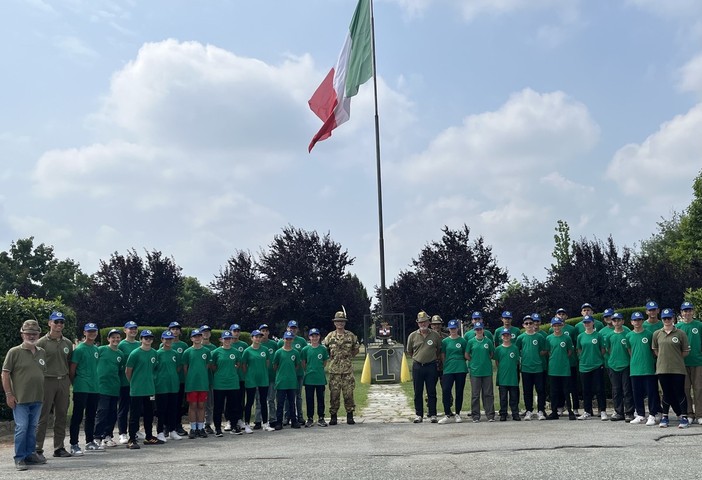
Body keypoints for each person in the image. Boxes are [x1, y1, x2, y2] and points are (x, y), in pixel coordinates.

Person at [2, 320, 46, 471]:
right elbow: (5, 374)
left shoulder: (42, 352)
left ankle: (30, 454)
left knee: (32, 427)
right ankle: (19, 458)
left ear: (39, 335)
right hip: (20, 398)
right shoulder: (14, 352)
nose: (31, 336)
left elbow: (41, 373)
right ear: (22, 335)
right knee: (22, 427)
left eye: (34, 334)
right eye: (28, 334)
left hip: (38, 398)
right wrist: (9, 394)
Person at [35, 311, 73, 460]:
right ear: (49, 323)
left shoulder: (68, 343)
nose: (59, 325)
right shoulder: (41, 343)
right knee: (42, 416)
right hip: (47, 380)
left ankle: (59, 447)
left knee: (62, 415)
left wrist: (68, 380)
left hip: (63, 380)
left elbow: (69, 362)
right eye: (56, 322)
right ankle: (38, 448)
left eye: (61, 322)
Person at [653, 308, 691, 428]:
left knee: (680, 392)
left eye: (669, 318)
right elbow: (656, 350)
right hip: (663, 369)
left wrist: (674, 358)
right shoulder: (657, 334)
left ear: (673, 319)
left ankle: (684, 417)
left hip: (677, 369)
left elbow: (685, 351)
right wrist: (666, 358)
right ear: (662, 319)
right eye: (665, 318)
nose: (667, 320)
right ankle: (665, 417)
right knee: (666, 393)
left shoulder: (680, 333)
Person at [69, 323, 103, 455]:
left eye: (94, 331)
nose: (92, 333)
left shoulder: (95, 349)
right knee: (77, 416)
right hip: (81, 387)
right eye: (89, 331)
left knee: (91, 416)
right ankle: (74, 444)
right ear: (84, 333)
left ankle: (89, 441)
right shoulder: (79, 349)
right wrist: (76, 383)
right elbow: (72, 370)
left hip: (94, 387)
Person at [125, 330, 162, 448]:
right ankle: (132, 438)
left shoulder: (154, 353)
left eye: (150, 338)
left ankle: (149, 436)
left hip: (150, 389)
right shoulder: (135, 353)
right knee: (135, 415)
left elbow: (155, 368)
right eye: (146, 338)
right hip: (137, 390)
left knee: (149, 414)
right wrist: (134, 382)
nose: (148, 340)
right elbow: (128, 371)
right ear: (141, 339)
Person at [322, 311, 360, 425]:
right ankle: (333, 416)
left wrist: (348, 358)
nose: (340, 324)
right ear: (335, 323)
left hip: (347, 371)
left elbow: (356, 349)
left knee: (348, 394)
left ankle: (350, 415)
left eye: (342, 322)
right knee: (334, 394)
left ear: (345, 323)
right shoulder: (330, 336)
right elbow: (325, 350)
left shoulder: (351, 336)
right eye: (338, 321)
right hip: (334, 371)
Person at [406, 311, 442, 423]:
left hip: (431, 366)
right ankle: (419, 414)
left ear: (428, 322)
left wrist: (430, 358)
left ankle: (433, 414)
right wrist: (418, 358)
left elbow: (438, 350)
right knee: (418, 392)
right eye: (420, 322)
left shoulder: (435, 335)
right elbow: (410, 351)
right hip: (417, 366)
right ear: (418, 323)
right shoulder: (412, 336)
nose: (423, 324)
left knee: (431, 391)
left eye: (425, 321)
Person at [626, 311, 661, 425]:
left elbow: (653, 351)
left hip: (648, 368)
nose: (637, 322)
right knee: (637, 393)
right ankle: (640, 415)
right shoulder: (629, 335)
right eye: (635, 320)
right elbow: (630, 350)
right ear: (631, 322)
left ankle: (652, 414)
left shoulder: (649, 334)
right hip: (635, 369)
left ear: (642, 321)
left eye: (639, 320)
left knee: (651, 393)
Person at [94, 329, 124, 448]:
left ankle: (108, 436)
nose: (115, 339)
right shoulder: (101, 349)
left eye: (117, 337)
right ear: (108, 339)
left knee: (112, 413)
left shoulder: (120, 354)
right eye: (113, 337)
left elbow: (120, 370)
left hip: (114, 387)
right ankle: (97, 437)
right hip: (101, 386)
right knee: (102, 412)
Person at [575, 316, 608, 421]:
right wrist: (583, 358)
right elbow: (579, 349)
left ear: (593, 323)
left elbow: (602, 349)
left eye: (589, 322)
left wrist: (596, 358)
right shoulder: (580, 336)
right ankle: (587, 411)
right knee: (586, 390)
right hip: (584, 366)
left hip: (597, 365)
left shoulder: (598, 335)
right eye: (585, 322)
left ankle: (602, 411)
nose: (587, 324)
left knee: (599, 389)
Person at [211, 330, 243, 436]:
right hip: (220, 383)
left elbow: (238, 364)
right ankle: (217, 428)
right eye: (225, 339)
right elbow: (213, 366)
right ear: (221, 340)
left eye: (229, 338)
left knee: (233, 406)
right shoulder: (216, 352)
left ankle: (234, 426)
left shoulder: (235, 352)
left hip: (232, 382)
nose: (227, 340)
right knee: (218, 407)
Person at [241, 330, 273, 432]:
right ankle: (246, 424)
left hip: (263, 379)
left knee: (263, 401)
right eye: (256, 337)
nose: (258, 339)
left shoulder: (265, 350)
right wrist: (250, 374)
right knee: (250, 401)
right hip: (251, 379)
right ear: (252, 338)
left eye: (259, 337)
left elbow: (267, 363)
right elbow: (244, 366)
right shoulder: (247, 351)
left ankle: (265, 423)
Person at [516, 316, 548, 421]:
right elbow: (517, 350)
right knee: (527, 391)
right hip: (526, 368)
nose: (529, 325)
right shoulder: (520, 338)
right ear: (523, 325)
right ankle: (528, 411)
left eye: (531, 323)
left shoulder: (539, 337)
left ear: (534, 324)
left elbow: (545, 350)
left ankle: (540, 411)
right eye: (527, 323)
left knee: (540, 390)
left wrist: (536, 355)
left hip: (538, 368)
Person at [182, 328, 212, 438]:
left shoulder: (206, 351)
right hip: (192, 383)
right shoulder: (187, 352)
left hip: (203, 383)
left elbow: (207, 366)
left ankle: (200, 427)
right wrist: (190, 378)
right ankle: (193, 428)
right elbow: (185, 368)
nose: (197, 338)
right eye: (195, 336)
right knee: (193, 405)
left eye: (199, 336)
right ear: (191, 338)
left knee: (201, 405)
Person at [605, 313, 634, 422]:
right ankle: (618, 412)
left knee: (627, 390)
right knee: (616, 390)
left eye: (619, 320)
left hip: (626, 365)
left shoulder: (627, 334)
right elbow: (608, 349)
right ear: (612, 322)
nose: (616, 323)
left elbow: (630, 350)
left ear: (622, 321)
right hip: (613, 366)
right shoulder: (609, 336)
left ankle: (629, 412)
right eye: (614, 321)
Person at [278, 320, 307, 426]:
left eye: (294, 328)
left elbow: (304, 357)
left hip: (298, 373)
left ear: (297, 329)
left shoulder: (302, 341)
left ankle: (299, 416)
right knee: (286, 397)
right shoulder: (282, 341)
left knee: (298, 396)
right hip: (286, 374)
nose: (293, 330)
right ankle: (287, 416)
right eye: (291, 328)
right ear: (287, 328)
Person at [438, 320, 468, 424]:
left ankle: (458, 413)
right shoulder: (445, 341)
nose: (453, 330)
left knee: (459, 391)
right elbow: (443, 355)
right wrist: (445, 365)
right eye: (451, 329)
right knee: (446, 390)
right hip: (448, 369)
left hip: (460, 368)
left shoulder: (462, 341)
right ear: (449, 329)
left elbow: (465, 354)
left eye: (454, 328)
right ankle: (447, 414)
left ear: (457, 329)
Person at [677, 301, 702, 424]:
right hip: (683, 363)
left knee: (698, 389)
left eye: (689, 310)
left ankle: (699, 414)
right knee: (685, 389)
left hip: (697, 362)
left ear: (693, 312)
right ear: (681, 313)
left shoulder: (699, 325)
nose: (687, 313)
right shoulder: (678, 327)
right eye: (685, 311)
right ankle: (689, 413)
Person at [551, 308, 580, 416]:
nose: (561, 316)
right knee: (557, 388)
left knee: (572, 387)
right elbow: (550, 350)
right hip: (556, 365)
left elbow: (572, 348)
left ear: (566, 316)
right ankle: (559, 407)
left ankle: (574, 408)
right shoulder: (550, 334)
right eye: (559, 314)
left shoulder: (571, 330)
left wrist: (565, 357)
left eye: (563, 314)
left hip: (569, 363)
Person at [154, 331, 182, 442]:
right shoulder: (157, 353)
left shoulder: (175, 353)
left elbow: (178, 367)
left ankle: (172, 430)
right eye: (166, 339)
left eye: (170, 339)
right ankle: (160, 431)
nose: (168, 341)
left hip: (173, 385)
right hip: (161, 386)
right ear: (162, 340)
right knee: (161, 410)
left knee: (173, 409)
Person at [546, 317, 576, 420]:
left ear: (562, 325)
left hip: (564, 368)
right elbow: (549, 351)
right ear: (552, 326)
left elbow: (569, 351)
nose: (557, 327)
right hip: (553, 368)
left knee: (566, 391)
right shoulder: (549, 338)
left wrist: (562, 359)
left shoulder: (566, 338)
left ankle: (570, 411)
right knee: (554, 391)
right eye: (555, 325)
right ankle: (554, 411)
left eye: (558, 325)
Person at [466, 321, 495, 422]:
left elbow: (491, 354)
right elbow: (467, 355)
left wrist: (485, 361)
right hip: (475, 371)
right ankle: (475, 415)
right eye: (477, 329)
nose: (479, 331)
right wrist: (474, 362)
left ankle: (490, 415)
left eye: (480, 329)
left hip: (486, 371)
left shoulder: (488, 341)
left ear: (483, 330)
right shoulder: (471, 342)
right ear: (474, 330)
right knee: (475, 394)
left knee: (488, 394)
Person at [117, 321, 141, 444]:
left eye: (135, 328)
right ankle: (122, 433)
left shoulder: (140, 344)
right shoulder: (121, 345)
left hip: (137, 383)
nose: (133, 330)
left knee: (136, 409)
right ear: (125, 330)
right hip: (125, 382)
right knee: (123, 408)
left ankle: (135, 430)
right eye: (130, 328)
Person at [274, 331, 302, 430]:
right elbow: (275, 366)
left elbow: (297, 365)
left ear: (292, 340)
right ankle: (279, 422)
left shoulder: (295, 352)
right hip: (281, 381)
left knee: (292, 403)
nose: (288, 341)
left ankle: (294, 421)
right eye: (287, 339)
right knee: (280, 403)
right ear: (283, 339)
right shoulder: (278, 352)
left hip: (292, 381)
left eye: (290, 339)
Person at [301, 328, 329, 427]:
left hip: (320, 378)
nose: (314, 338)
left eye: (316, 336)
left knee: (320, 399)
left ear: (319, 337)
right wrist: (308, 369)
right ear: (309, 337)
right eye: (312, 336)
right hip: (309, 378)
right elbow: (303, 362)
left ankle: (321, 417)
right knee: (309, 399)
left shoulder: (323, 349)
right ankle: (310, 418)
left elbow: (325, 362)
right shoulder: (305, 349)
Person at [167, 321, 189, 437]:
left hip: (180, 380)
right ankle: (167, 426)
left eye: (177, 329)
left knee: (178, 404)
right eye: (173, 329)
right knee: (167, 404)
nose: (175, 331)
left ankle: (177, 425)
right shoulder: (164, 345)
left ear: (180, 331)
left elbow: (184, 364)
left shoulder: (184, 346)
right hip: (167, 381)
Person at [255, 324, 278, 430]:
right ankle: (258, 420)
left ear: (268, 332)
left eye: (266, 331)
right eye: (262, 331)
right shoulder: (256, 346)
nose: (264, 333)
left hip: (272, 376)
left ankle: (272, 419)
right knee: (259, 399)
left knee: (271, 399)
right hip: (260, 377)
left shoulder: (273, 344)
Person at [495, 328, 521, 421]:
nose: (506, 337)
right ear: (501, 337)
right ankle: (503, 413)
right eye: (504, 335)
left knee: (514, 397)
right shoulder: (498, 349)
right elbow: (497, 362)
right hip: (502, 377)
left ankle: (515, 413)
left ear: (510, 336)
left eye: (507, 335)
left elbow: (517, 361)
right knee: (503, 397)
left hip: (513, 377)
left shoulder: (514, 348)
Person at [230, 323, 248, 430]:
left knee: (240, 399)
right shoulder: (228, 344)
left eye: (238, 331)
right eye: (234, 331)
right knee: (230, 400)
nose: (236, 333)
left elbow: (245, 362)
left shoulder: (244, 345)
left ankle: (239, 419)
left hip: (240, 377)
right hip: (230, 378)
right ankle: (229, 420)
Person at [199, 324, 217, 435]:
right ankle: (198, 424)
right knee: (199, 404)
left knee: (210, 403)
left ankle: (207, 423)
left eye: (207, 332)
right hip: (199, 380)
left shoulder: (214, 348)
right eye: (203, 332)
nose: (206, 333)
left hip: (210, 379)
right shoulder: (195, 347)